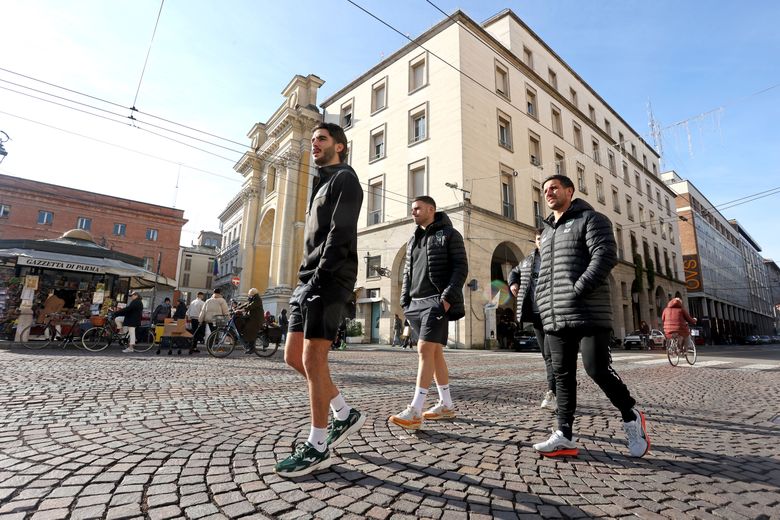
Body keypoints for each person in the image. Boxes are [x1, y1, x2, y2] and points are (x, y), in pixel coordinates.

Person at [533, 174, 649, 458]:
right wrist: (542, 301)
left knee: (596, 369)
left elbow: (605, 255)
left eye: (554, 188)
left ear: (570, 191)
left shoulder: (592, 219)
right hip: (556, 314)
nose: (548, 193)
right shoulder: (546, 232)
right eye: (545, 190)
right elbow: (546, 272)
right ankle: (564, 434)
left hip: (588, 312)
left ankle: (631, 416)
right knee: (561, 376)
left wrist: (579, 288)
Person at [274, 122, 365, 478]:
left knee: (313, 359)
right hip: (306, 279)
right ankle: (344, 413)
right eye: (311, 139)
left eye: (321, 139)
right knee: (293, 357)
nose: (314, 144)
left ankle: (317, 444)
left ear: (339, 146)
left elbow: (340, 233)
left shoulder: (346, 179)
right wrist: (305, 277)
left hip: (329, 277)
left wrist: (320, 276)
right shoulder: (320, 183)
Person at [389, 196, 468, 431]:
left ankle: (415, 409)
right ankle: (446, 403)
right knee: (435, 354)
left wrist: (445, 300)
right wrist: (405, 300)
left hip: (435, 302)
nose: (413, 212)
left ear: (431, 209)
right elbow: (407, 272)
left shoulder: (450, 234)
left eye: (417, 208)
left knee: (424, 349)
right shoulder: (413, 238)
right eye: (412, 209)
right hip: (415, 303)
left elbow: (461, 268)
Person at [508, 228, 556, 410]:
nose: (541, 242)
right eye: (538, 239)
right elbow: (514, 271)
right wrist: (513, 283)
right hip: (537, 316)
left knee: (552, 356)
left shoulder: (556, 257)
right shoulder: (529, 260)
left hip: (554, 314)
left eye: (544, 239)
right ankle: (558, 391)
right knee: (547, 356)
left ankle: (553, 393)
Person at [235, 288, 264, 353]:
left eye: (249, 294)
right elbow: (246, 304)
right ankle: (245, 340)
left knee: (248, 329)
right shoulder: (252, 299)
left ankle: (252, 348)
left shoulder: (257, 299)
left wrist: (241, 310)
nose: (248, 295)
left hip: (257, 319)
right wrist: (237, 308)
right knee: (241, 322)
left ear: (252, 294)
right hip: (252, 317)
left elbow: (250, 306)